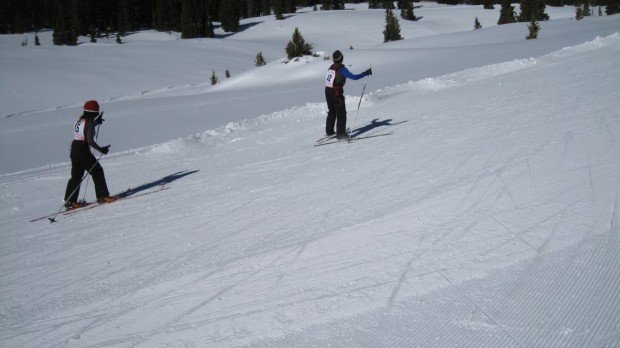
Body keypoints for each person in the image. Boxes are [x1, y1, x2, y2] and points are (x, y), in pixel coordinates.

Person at [64, 100, 116, 208]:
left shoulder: (80, 120)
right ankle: (103, 196)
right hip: (83, 151)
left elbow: (86, 129)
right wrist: (102, 150)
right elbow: (90, 141)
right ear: (94, 112)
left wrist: (97, 122)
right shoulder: (90, 122)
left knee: (76, 176)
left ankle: (70, 201)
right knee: (97, 171)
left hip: (74, 150)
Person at [324, 50, 372, 139]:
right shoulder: (342, 69)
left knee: (332, 111)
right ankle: (341, 134)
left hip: (327, 91)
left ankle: (329, 131)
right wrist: (365, 73)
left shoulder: (331, 67)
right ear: (341, 58)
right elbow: (354, 77)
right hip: (336, 92)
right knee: (341, 112)